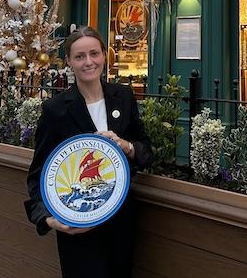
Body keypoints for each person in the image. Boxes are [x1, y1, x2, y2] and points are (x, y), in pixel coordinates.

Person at [25, 26, 152, 278]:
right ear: (69, 62)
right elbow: (38, 174)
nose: (88, 62)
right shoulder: (55, 110)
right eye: (80, 56)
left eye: (94, 54)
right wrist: (50, 220)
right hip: (78, 227)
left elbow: (146, 151)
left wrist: (126, 146)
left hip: (120, 222)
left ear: (105, 56)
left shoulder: (124, 97)